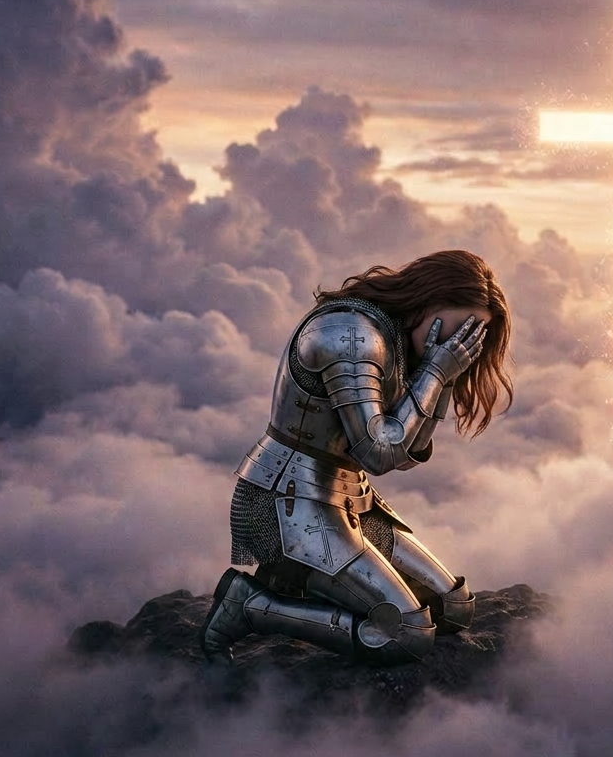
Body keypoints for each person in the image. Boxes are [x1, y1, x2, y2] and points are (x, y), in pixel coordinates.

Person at [200, 249, 512, 666]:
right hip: (288, 501)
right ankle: (251, 606)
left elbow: (407, 454)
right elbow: (379, 453)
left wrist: (446, 376)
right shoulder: (351, 335)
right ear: (425, 298)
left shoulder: (398, 337)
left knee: (453, 606)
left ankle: (309, 588)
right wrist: (436, 373)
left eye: (472, 334)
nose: (459, 343)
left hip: (351, 501)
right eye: (458, 327)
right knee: (407, 632)